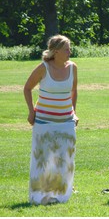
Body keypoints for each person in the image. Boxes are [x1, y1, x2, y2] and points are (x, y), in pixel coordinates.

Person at [24, 35, 78, 205]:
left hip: (66, 122)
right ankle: (39, 195)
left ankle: (62, 194)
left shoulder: (73, 68)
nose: (70, 52)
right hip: (44, 122)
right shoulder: (43, 68)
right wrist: (31, 111)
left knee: (65, 158)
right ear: (56, 52)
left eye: (69, 48)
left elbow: (74, 92)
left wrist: (74, 112)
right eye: (66, 49)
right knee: (43, 158)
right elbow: (27, 88)